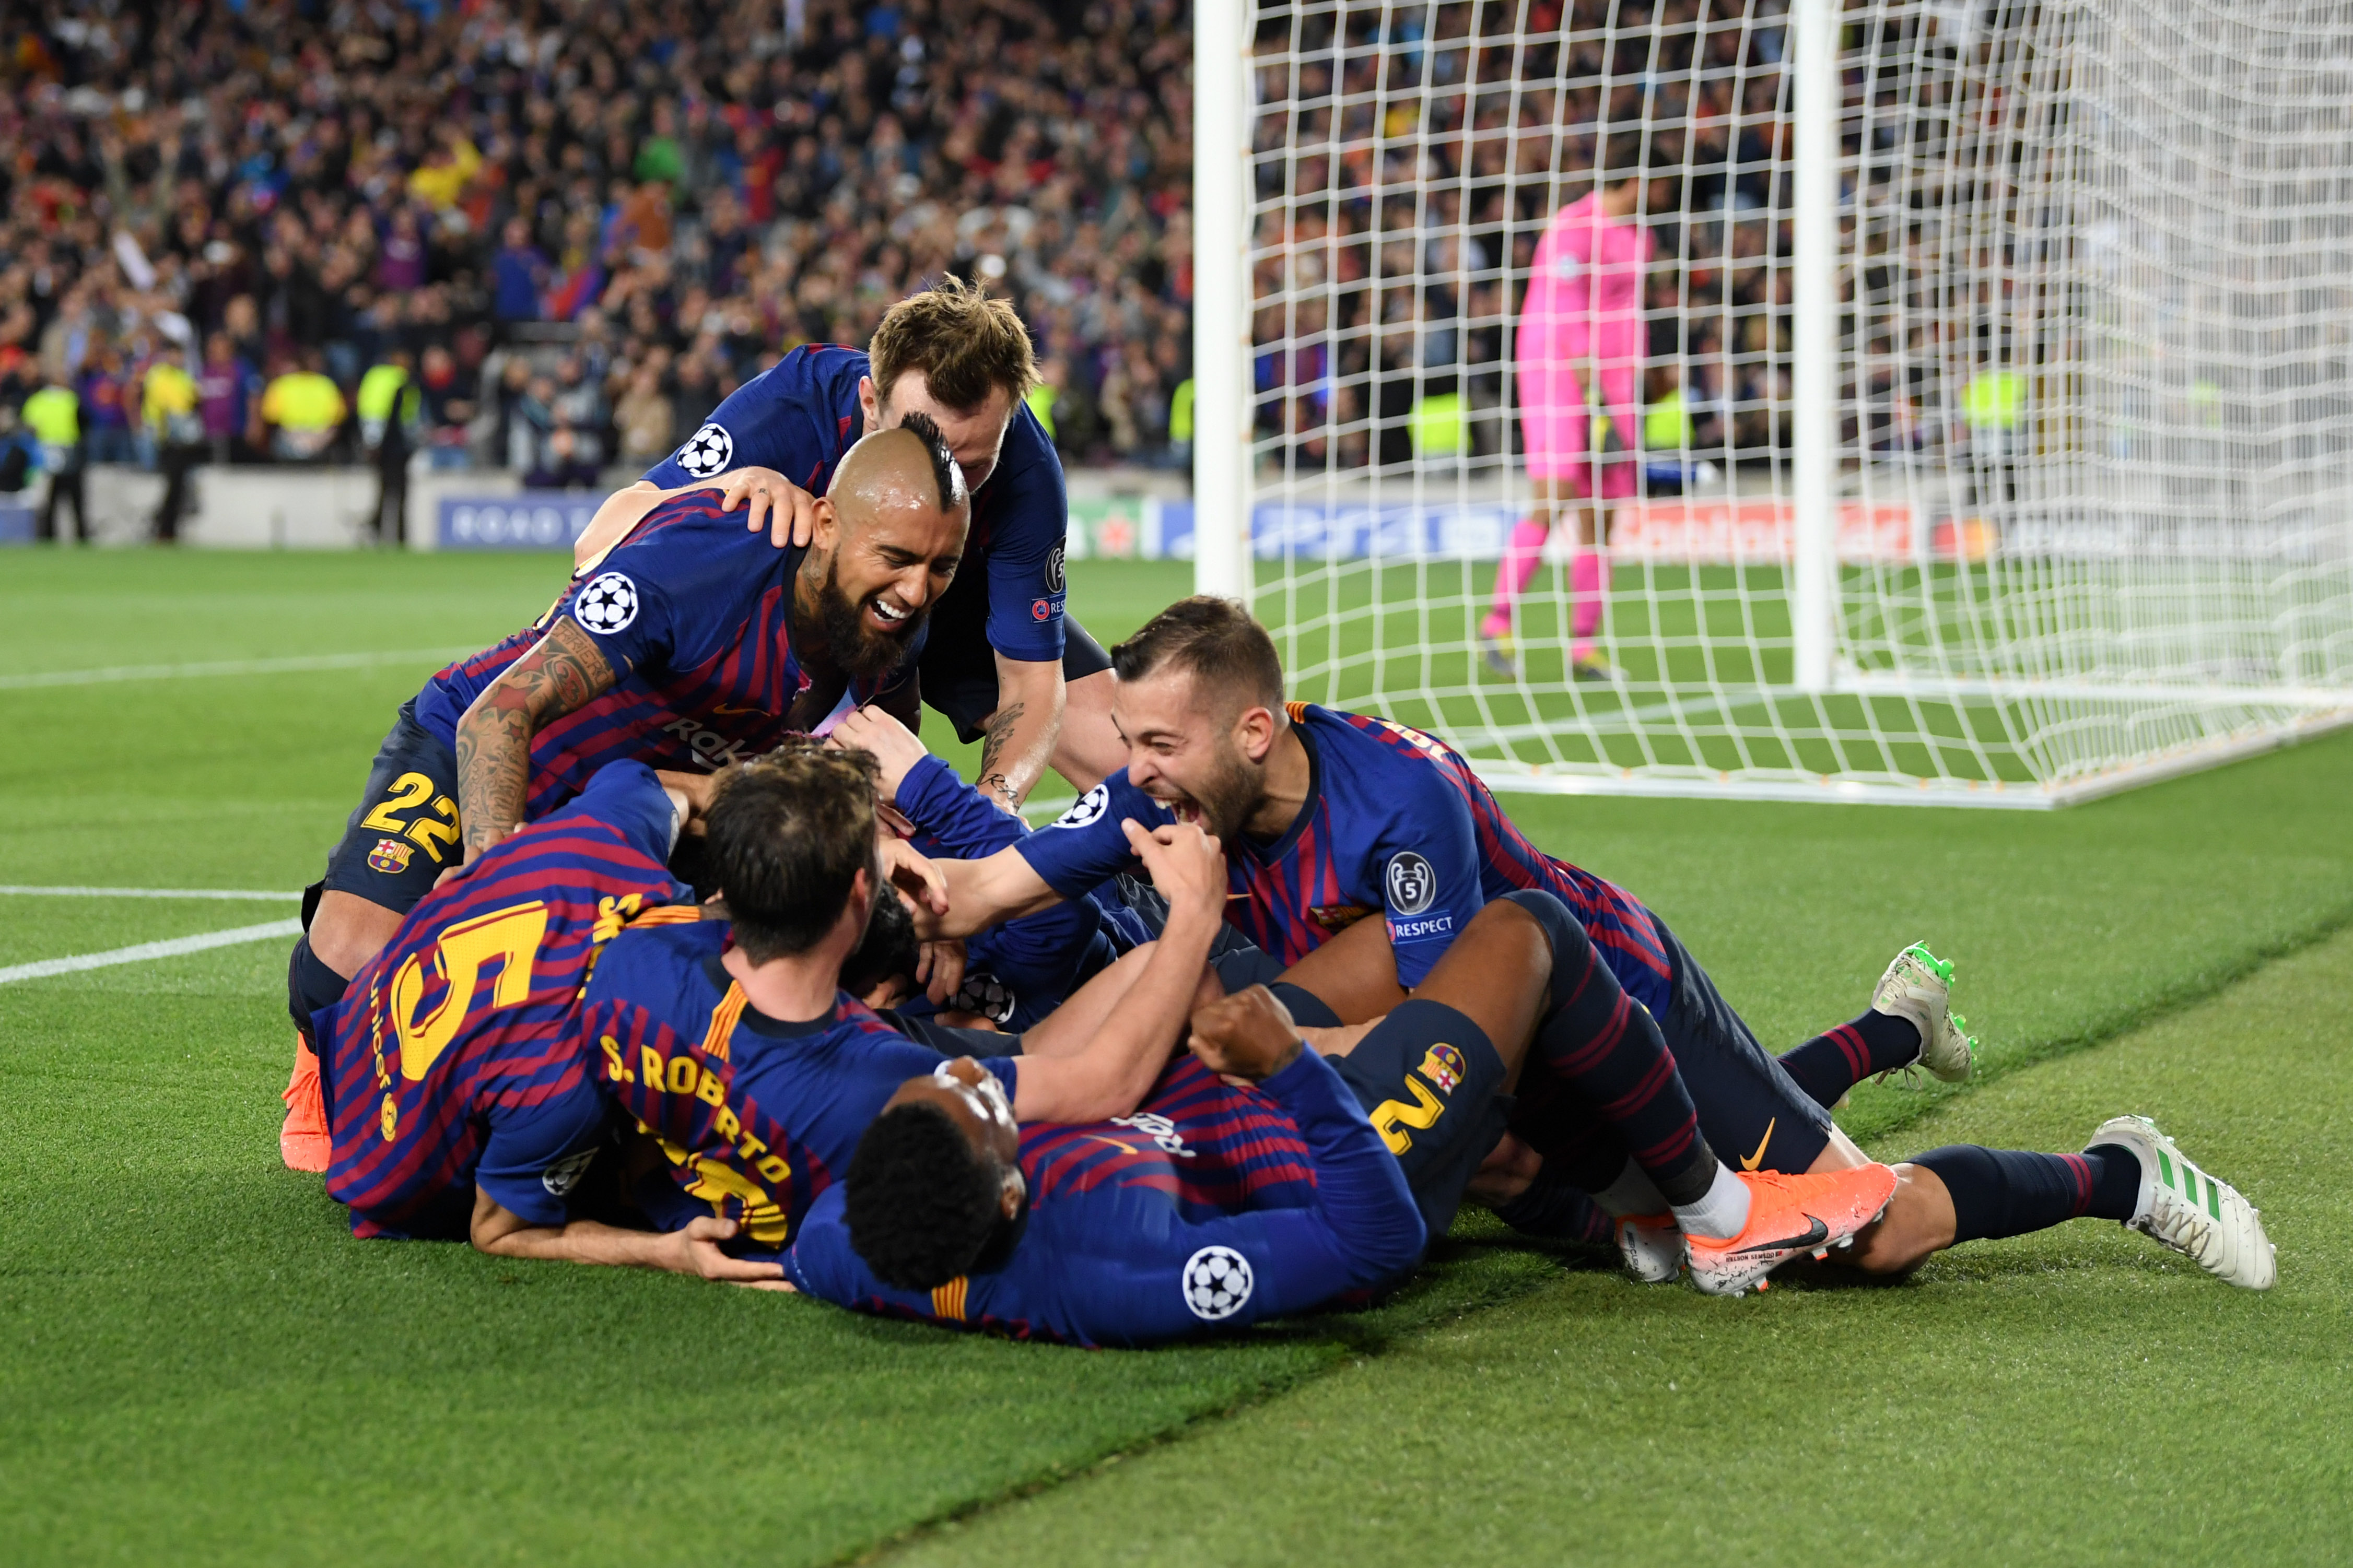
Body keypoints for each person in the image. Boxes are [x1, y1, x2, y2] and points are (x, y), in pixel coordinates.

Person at [949, 597, 2274, 1290]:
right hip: (1514, 1054)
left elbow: (1438, 1040)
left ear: (1255, 733)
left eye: (1161, 747)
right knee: (1601, 1192)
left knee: (1860, 1242)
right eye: (1133, 747)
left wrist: (1238, 1044)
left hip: (1616, 997)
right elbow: (985, 889)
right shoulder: (1163, 789)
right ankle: (1889, 1029)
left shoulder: (1397, 806)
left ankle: (2117, 1173)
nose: (1135, 780)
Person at [277, 419, 969, 1168]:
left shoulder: (896, 629)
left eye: (942, 567)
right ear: (829, 525)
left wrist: (928, 891)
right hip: (483, 749)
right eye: (897, 559)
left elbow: (877, 772)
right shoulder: (705, 562)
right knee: (348, 964)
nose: (915, 590)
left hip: (655, 809)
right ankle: (323, 1056)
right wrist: (491, 888)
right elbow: (503, 713)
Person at [792, 892, 1906, 1340]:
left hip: (1227, 1087)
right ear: (1010, 1189)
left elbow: (807, 1246)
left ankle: (1876, 1040)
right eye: (988, 1109)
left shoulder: (856, 1236)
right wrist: (1289, 1070)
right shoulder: (1124, 1268)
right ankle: (1715, 1217)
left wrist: (647, 1245)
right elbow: (1366, 1240)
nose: (983, 1083)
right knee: (1525, 935)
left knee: (1413, 939)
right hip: (1350, 1148)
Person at [584, 742, 1234, 1258]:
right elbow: (1103, 1086)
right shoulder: (881, 1082)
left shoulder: (636, 959)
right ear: (863, 896)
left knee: (1144, 979)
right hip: (866, 1135)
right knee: (1172, 982)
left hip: (684, 1189)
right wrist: (1194, 917)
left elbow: (629, 782)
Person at [569, 279, 1128, 809]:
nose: (947, 489)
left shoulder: (1025, 470)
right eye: (920, 444)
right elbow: (597, 542)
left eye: (974, 465)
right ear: (868, 401)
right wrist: (724, 488)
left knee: (1134, 768)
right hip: (797, 618)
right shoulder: (794, 405)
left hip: (955, 599)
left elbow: (1032, 679)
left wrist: (997, 799)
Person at [308, 758, 758, 1281]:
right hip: (390, 1172)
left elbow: (645, 780)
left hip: (359, 1033)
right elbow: (499, 1232)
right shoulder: (566, 1081)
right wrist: (668, 1251)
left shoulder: (604, 836)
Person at [1483, 133, 1661, 682]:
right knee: (1554, 497)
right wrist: (1588, 386)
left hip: (1615, 385)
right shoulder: (1572, 228)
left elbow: (1627, 314)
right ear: (1638, 182)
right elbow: (1560, 312)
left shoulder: (1641, 240)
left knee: (1602, 517)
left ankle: (1583, 648)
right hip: (1560, 376)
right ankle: (1497, 623)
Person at [356, 349, 420, 543]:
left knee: (384, 491)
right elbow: (403, 419)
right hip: (395, 445)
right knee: (399, 493)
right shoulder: (402, 381)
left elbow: (369, 411)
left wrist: (371, 442)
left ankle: (379, 532)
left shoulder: (374, 376)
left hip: (382, 443)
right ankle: (399, 537)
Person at [22, 377, 83, 542]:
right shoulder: (71, 398)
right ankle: (80, 535)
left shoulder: (36, 401)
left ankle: (47, 536)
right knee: (74, 498)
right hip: (68, 449)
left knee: (48, 499)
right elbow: (82, 422)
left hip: (45, 451)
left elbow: (29, 426)